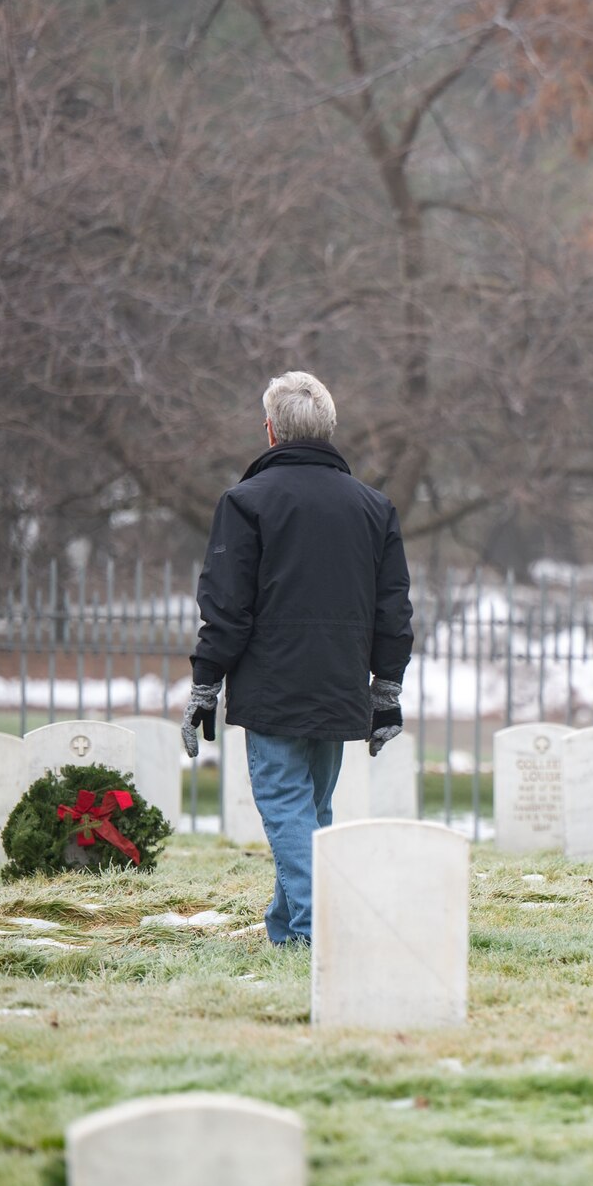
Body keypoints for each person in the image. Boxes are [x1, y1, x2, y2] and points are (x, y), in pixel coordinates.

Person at [182, 372, 413, 945]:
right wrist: (385, 691)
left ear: (270, 431)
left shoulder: (246, 502)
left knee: (288, 811)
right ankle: (286, 931)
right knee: (311, 811)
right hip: (339, 686)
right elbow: (393, 611)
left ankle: (319, 933)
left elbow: (227, 608)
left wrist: (205, 684)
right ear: (328, 430)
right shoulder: (373, 507)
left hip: (272, 689)